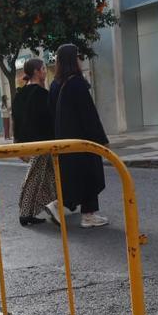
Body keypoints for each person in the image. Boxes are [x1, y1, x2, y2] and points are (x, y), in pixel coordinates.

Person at [48, 44, 109, 228]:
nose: (81, 60)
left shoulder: (55, 84)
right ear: (72, 59)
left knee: (75, 177)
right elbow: (89, 114)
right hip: (83, 141)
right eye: (79, 56)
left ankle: (65, 206)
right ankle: (84, 213)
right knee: (91, 175)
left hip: (64, 140)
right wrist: (102, 139)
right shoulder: (77, 83)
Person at [12, 58, 56, 226]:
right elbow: (48, 121)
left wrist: (17, 143)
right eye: (44, 69)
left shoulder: (19, 95)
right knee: (35, 176)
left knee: (49, 176)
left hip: (26, 143)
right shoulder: (43, 95)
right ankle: (25, 212)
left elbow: (16, 120)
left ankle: (51, 206)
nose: (45, 71)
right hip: (42, 143)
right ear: (37, 72)